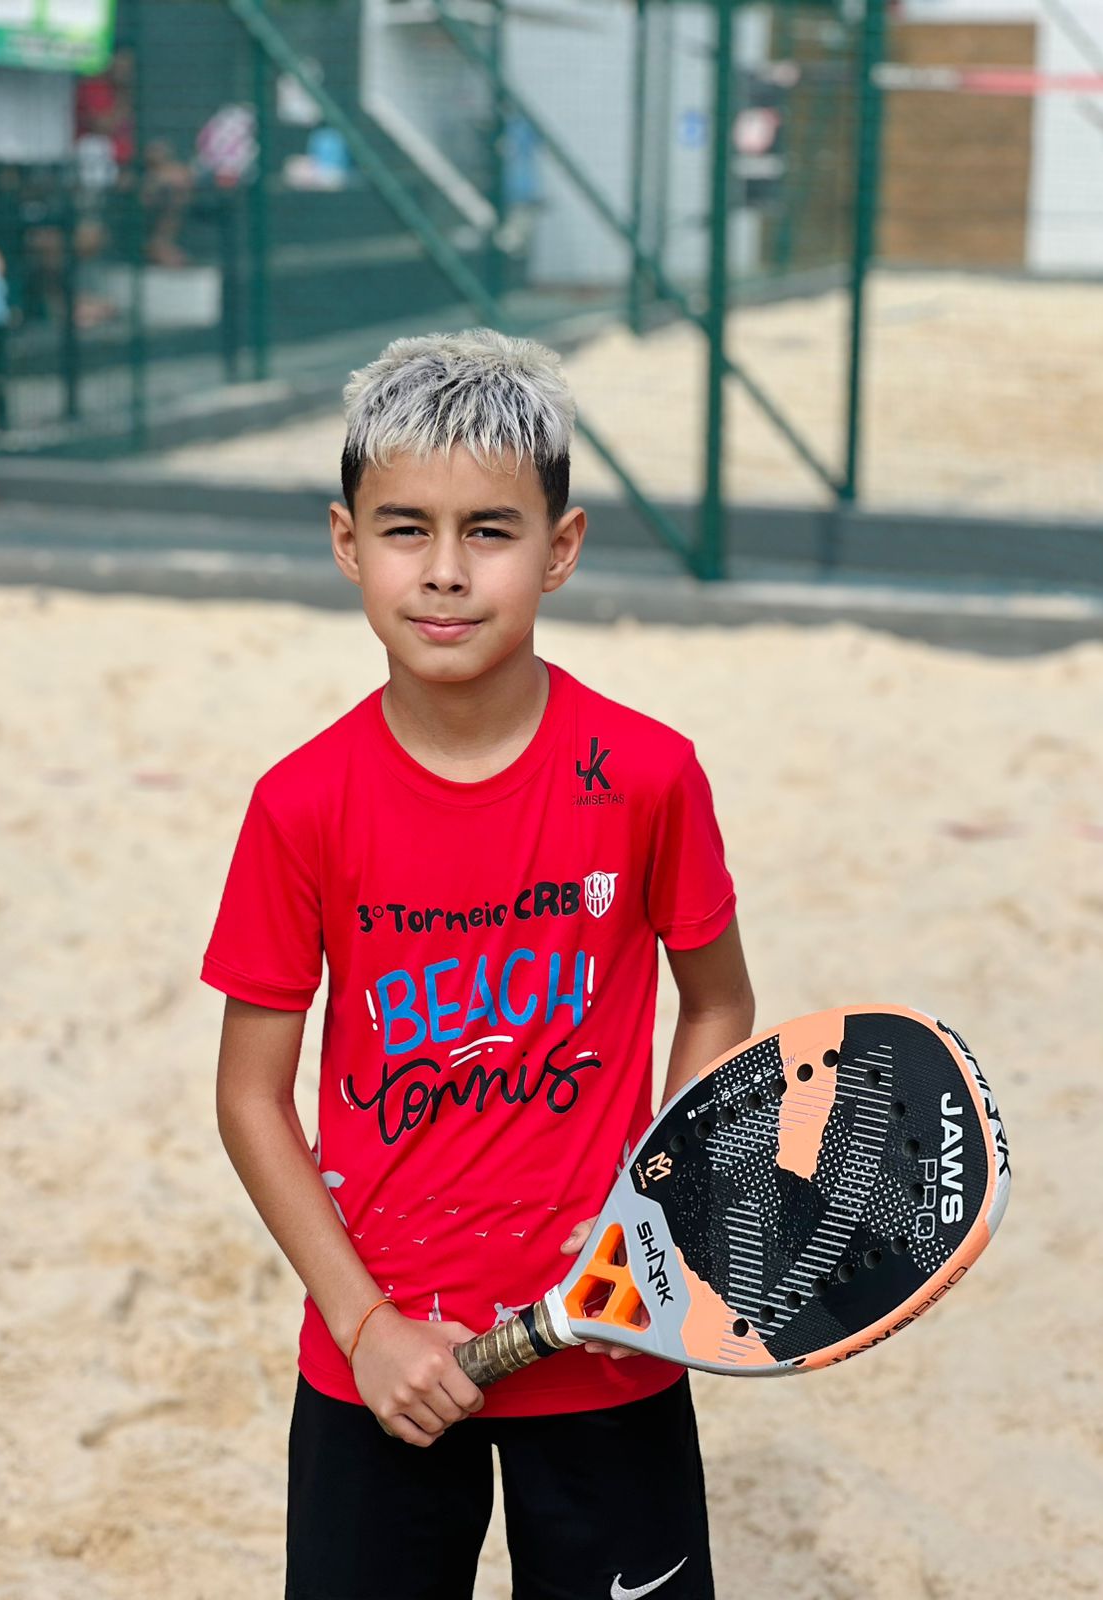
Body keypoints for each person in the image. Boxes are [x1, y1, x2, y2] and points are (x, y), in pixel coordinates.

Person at [200, 328, 756, 1599]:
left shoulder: (650, 775)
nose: (445, 573)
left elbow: (718, 1000)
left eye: (491, 532)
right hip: (381, 1367)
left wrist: (661, 1194)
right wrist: (364, 1320)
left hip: (609, 1343)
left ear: (559, 549)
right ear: (348, 542)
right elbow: (248, 1094)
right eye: (406, 529)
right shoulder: (302, 802)